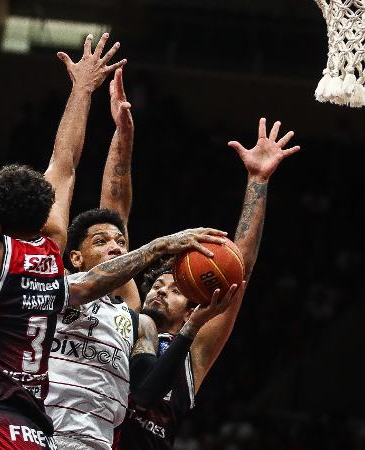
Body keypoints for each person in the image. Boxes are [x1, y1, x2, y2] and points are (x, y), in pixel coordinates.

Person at [0, 2, 227, 448]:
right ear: (48, 217)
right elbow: (65, 165)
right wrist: (81, 91)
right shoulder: (54, 270)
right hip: (37, 431)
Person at [44, 67, 235, 449]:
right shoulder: (53, 289)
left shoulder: (130, 318)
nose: (118, 247)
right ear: (76, 258)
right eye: (104, 242)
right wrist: (122, 136)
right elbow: (93, 195)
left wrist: (124, 135)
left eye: (121, 243)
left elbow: (147, 391)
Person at [114, 118, 301, 449]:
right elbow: (115, 222)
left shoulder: (194, 352)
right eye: (158, 284)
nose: (159, 290)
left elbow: (240, 268)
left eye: (174, 290)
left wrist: (258, 180)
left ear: (191, 312)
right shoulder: (127, 321)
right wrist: (122, 138)